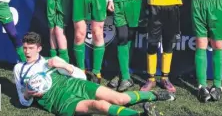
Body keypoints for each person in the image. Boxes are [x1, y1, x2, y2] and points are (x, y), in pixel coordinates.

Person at [14, 32, 175, 116]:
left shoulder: (51, 60)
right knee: (99, 105)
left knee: (120, 98)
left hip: (75, 85)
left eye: (31, 48)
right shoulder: (19, 69)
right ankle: (140, 114)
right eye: (25, 48)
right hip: (59, 100)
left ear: (39, 48)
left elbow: (80, 76)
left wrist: (63, 65)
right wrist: (28, 94)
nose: (27, 52)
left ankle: (154, 95)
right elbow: (23, 101)